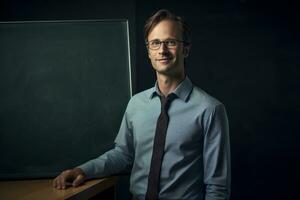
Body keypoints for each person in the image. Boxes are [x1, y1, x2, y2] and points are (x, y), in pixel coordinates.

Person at [53, 9, 231, 200]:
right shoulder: (136, 104)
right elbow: (123, 155)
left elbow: (217, 187)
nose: (162, 50)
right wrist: (83, 170)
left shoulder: (210, 109)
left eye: (170, 42)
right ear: (148, 51)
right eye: (155, 43)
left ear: (185, 49)